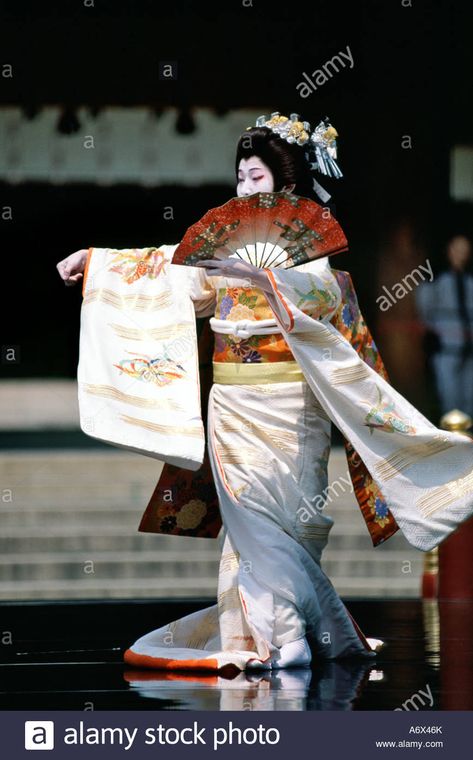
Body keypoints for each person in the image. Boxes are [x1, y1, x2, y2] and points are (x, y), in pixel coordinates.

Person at [57, 113, 473, 675]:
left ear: (286, 186)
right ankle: (267, 637)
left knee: (293, 524)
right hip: (231, 406)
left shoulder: (309, 258)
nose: (245, 189)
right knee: (247, 522)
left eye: (256, 178)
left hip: (291, 410)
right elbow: (166, 268)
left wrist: (260, 280)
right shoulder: (221, 254)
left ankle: (292, 633)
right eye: (240, 178)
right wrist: (98, 263)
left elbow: (319, 314)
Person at [416, 235, 473, 418]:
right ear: (449, 251)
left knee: (468, 397)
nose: (461, 254)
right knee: (449, 396)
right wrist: (435, 332)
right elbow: (425, 308)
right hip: (445, 345)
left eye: (465, 250)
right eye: (457, 249)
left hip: (469, 346)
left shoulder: (469, 280)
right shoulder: (435, 278)